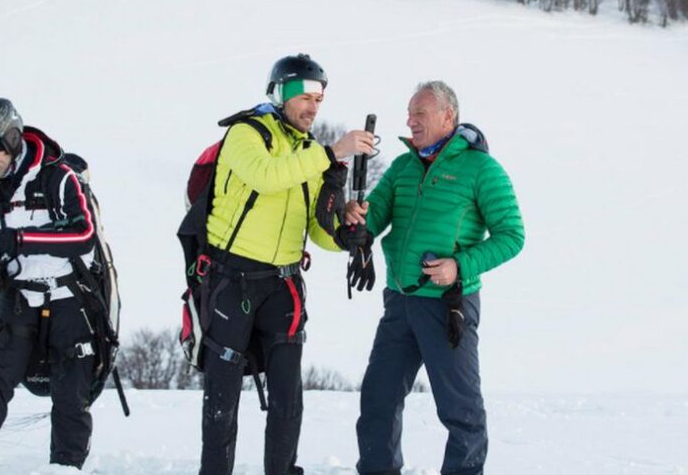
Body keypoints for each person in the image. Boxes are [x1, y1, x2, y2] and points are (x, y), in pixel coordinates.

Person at [198, 54, 375, 475]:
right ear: (281, 94)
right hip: (232, 279)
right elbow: (266, 176)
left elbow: (315, 227)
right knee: (222, 397)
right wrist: (332, 152)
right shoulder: (245, 134)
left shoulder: (308, 152)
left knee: (287, 398)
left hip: (284, 286)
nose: (313, 107)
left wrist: (345, 235)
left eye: (319, 99)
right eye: (305, 97)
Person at [346, 81, 525, 475]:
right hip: (400, 302)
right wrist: (358, 226)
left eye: (420, 114)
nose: (410, 121)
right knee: (378, 398)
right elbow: (374, 216)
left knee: (460, 410)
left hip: (448, 307)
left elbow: (513, 236)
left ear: (448, 117)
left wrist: (459, 265)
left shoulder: (482, 170)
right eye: (409, 113)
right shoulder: (404, 166)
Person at [0, 91, 99, 473]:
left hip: (69, 297)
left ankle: (65, 467)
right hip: (18, 300)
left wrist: (21, 239)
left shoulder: (58, 177)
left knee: (70, 393)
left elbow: (84, 236)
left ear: (12, 140)